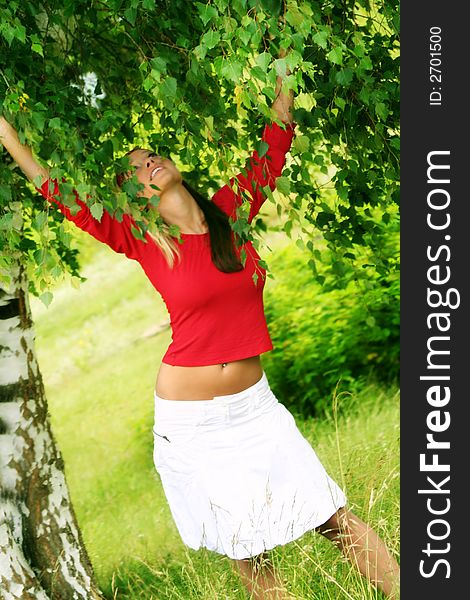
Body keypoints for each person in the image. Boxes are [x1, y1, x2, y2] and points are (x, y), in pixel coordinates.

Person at [0, 64, 399, 599]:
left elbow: (275, 142)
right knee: (248, 550)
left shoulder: (229, 213)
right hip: (194, 423)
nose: (150, 163)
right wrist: (7, 133)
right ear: (133, 198)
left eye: (151, 155)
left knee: (332, 516)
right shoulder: (139, 240)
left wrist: (285, 59)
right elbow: (53, 187)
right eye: (138, 170)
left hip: (256, 408)